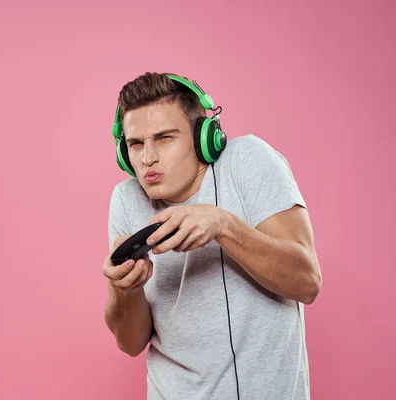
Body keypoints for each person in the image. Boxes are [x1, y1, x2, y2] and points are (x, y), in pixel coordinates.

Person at [102, 72, 322, 400]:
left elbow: (306, 282)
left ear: (203, 137)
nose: (147, 158)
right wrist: (125, 289)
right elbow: (131, 342)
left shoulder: (247, 160)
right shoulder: (126, 198)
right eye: (136, 144)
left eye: (164, 138)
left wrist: (223, 225)